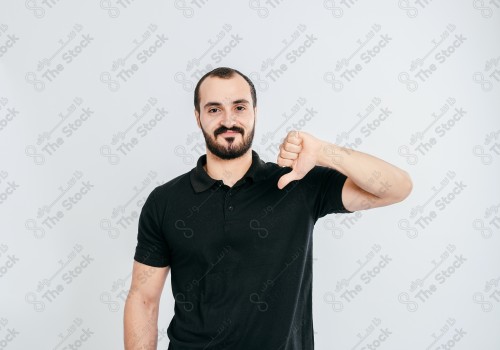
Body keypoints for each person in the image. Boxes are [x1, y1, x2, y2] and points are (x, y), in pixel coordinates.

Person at [123, 67, 412, 349]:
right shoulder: (165, 201)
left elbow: (397, 188)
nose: (228, 120)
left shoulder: (296, 182)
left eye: (239, 107)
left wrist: (324, 152)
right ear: (198, 118)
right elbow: (143, 299)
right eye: (214, 109)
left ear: (255, 112)